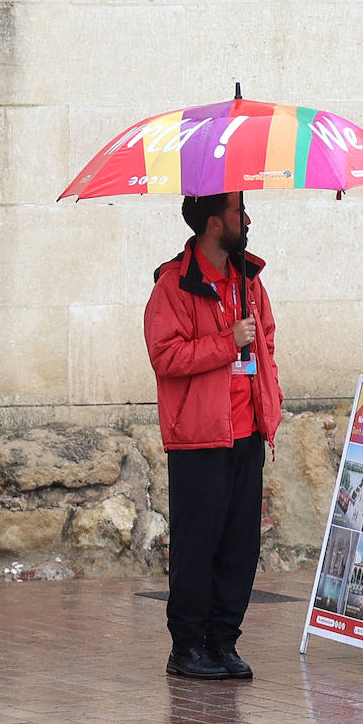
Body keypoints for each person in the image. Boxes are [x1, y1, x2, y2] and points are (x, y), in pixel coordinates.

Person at [144, 191, 283, 680]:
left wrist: (271, 400)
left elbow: (264, 339)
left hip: (246, 433)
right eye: (237, 212)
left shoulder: (249, 281)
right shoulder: (173, 286)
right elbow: (166, 356)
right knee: (196, 544)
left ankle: (223, 640)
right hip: (200, 436)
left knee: (240, 545)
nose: (247, 219)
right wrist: (228, 343)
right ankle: (187, 646)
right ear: (212, 223)